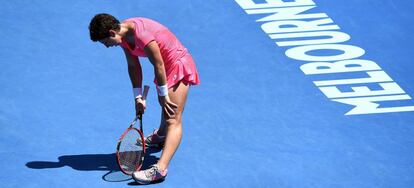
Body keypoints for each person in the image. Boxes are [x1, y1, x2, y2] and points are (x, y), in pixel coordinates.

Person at [88, 13, 200, 184]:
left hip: (177, 64)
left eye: (105, 42)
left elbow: (159, 64)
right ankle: (161, 136)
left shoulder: (142, 34)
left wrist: (163, 94)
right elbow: (133, 65)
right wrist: (138, 97)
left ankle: (160, 169)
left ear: (112, 33)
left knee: (173, 118)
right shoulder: (123, 35)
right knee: (167, 109)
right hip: (165, 67)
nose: (106, 46)